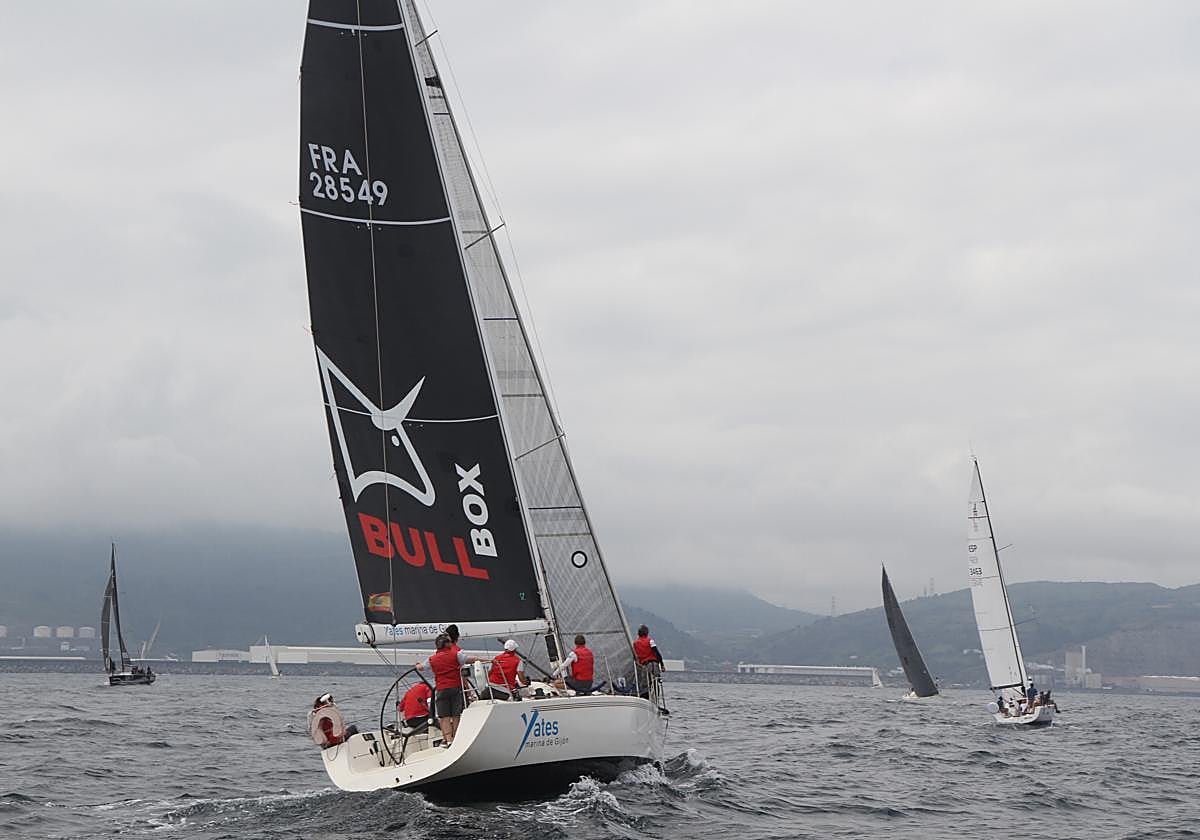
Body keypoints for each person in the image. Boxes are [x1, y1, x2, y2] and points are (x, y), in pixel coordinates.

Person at [419, 633, 479, 747]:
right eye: (449, 642)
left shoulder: (432, 659)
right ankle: (456, 738)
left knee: (444, 716)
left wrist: (417, 665)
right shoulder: (456, 655)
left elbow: (421, 667)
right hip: (456, 688)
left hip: (442, 689)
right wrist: (488, 660)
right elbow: (470, 660)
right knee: (456, 715)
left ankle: (448, 740)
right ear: (446, 644)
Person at [633, 625, 664, 698]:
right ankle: (656, 699)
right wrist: (662, 664)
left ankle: (645, 699)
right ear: (647, 633)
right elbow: (657, 652)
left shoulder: (635, 643)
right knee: (655, 682)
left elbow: (635, 656)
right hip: (653, 664)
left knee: (645, 684)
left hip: (644, 666)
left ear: (638, 633)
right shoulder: (650, 641)